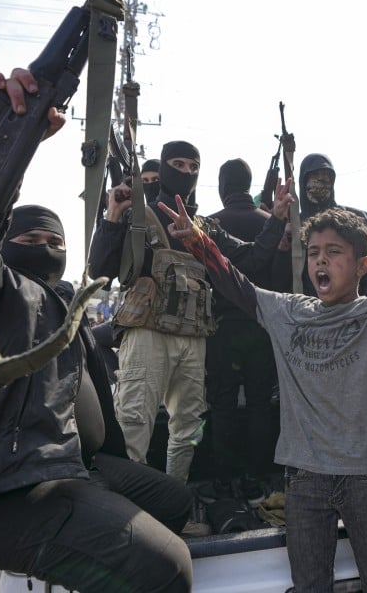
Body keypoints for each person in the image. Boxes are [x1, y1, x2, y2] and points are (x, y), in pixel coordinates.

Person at [161, 116, 367, 592]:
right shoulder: (288, 311)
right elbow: (234, 284)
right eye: (314, 251)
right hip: (305, 484)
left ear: (362, 265)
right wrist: (197, 240)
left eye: (334, 252)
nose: (320, 260)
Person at [0, 68, 194, 592]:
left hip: (73, 464)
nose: (45, 243)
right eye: (28, 235)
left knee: (175, 500)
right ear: (5, 245)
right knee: (169, 568)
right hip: (5, 489)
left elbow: (101, 325)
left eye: (53, 237)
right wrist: (8, 139)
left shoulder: (63, 306)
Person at [89, 142, 289, 485]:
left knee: (189, 426)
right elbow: (100, 269)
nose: (186, 172)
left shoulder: (204, 227)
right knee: (134, 422)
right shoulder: (137, 216)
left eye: (193, 166)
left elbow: (251, 259)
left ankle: (175, 497)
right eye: (177, 164)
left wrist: (278, 219)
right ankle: (130, 510)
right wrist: (112, 214)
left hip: (193, 339)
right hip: (147, 333)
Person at [203, 157, 289, 502]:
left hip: (221, 328)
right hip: (262, 326)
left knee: (221, 406)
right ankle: (256, 478)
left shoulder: (209, 224)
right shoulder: (272, 222)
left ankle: (223, 481)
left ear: (223, 186)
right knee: (258, 406)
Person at [298, 153, 367, 296]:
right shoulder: (293, 224)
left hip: (350, 309)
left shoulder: (353, 218)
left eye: (326, 177)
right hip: (305, 310)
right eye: (315, 176)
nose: (320, 181)